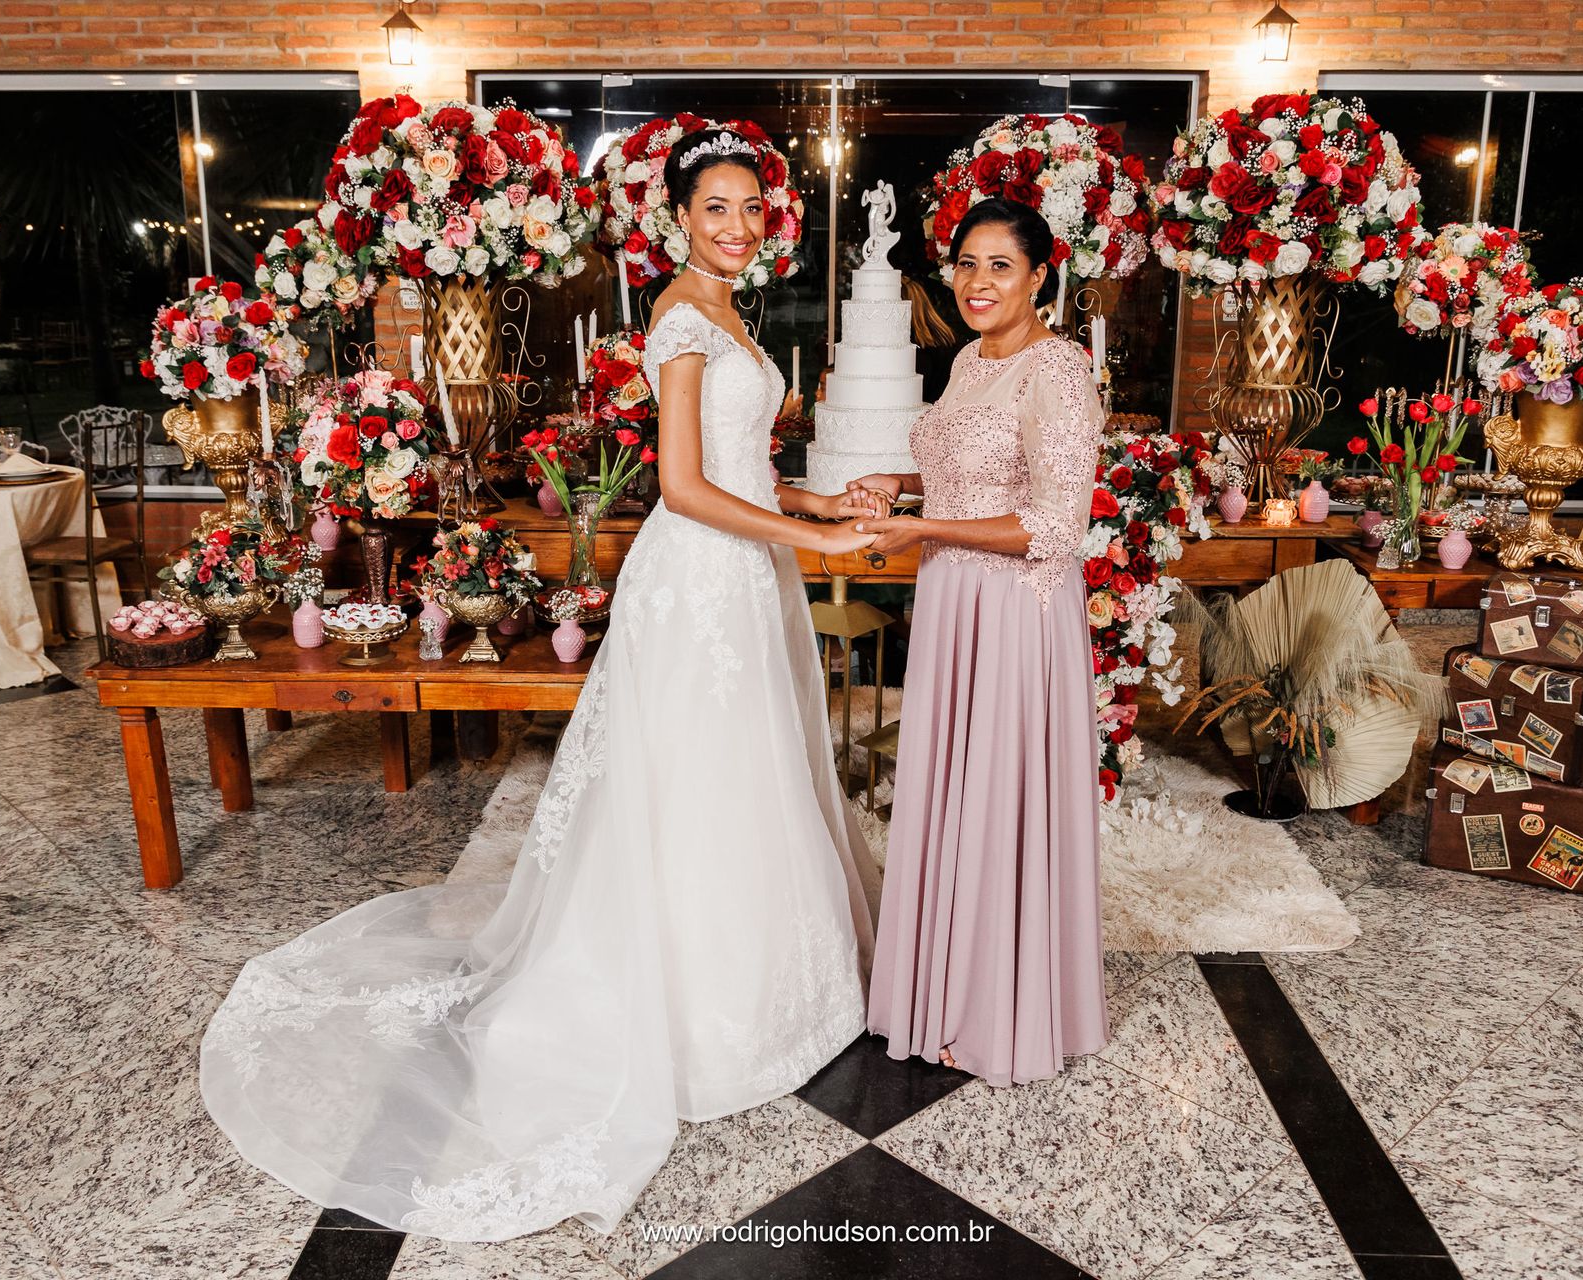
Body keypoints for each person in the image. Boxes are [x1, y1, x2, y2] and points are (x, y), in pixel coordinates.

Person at [199, 126, 886, 1242]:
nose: (738, 225)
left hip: (742, 572)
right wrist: (812, 544)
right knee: (696, 773)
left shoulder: (731, 315)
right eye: (716, 207)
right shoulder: (679, 319)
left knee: (745, 768)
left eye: (752, 207)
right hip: (698, 577)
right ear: (678, 219)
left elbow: (745, 471)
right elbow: (683, 488)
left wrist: (819, 504)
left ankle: (772, 984)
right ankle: (695, 1006)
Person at [847, 197, 1108, 1087]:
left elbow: (1057, 524)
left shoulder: (1058, 369)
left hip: (1013, 611)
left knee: (998, 793)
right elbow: (974, 477)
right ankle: (941, 982)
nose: (978, 281)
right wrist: (900, 482)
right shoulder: (968, 359)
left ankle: (996, 1007)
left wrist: (923, 530)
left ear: (1040, 277)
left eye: (1001, 265)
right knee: (953, 790)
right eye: (966, 262)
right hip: (955, 597)